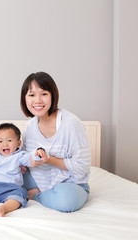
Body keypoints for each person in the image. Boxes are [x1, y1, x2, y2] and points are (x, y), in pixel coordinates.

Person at [20, 71, 91, 212]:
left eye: (44, 94)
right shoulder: (30, 126)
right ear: (25, 98)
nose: (38, 100)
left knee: (66, 202)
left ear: (53, 95)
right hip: (37, 179)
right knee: (6, 177)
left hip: (69, 183)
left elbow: (82, 166)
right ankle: (39, 192)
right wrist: (27, 161)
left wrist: (49, 160)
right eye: (32, 95)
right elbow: (24, 157)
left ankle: (36, 196)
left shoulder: (70, 124)